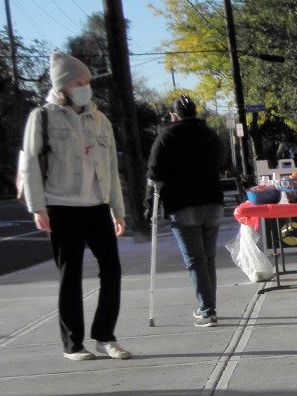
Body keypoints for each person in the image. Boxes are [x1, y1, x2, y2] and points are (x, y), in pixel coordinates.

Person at [18, 51, 131, 360]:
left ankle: (105, 335)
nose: (86, 86)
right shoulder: (41, 117)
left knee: (112, 271)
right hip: (61, 206)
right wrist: (37, 207)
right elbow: (29, 163)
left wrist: (117, 211)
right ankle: (73, 344)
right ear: (63, 86)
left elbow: (110, 168)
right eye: (80, 81)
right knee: (70, 276)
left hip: (96, 206)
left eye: (88, 81)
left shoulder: (100, 118)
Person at [145, 95, 226, 327]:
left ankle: (208, 310)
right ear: (195, 112)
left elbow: (153, 174)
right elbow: (221, 160)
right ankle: (209, 306)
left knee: (195, 260)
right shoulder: (210, 135)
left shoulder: (167, 135)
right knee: (207, 259)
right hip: (212, 202)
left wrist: (148, 204)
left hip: (182, 205)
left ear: (174, 115)